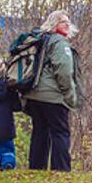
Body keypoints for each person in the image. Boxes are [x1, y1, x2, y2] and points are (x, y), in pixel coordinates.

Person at [22, 10, 81, 171]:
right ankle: (61, 170)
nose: (67, 24)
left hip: (33, 94)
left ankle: (36, 169)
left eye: (68, 21)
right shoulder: (60, 43)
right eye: (63, 21)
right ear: (55, 24)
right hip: (52, 96)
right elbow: (64, 71)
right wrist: (70, 96)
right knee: (60, 132)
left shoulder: (41, 40)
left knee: (40, 132)